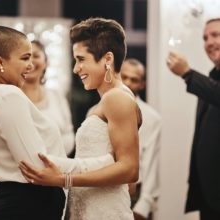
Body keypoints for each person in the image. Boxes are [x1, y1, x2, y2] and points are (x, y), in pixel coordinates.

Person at [0, 25, 119, 220]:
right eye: (25, 58)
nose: (30, 65)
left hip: (18, 204)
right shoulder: (8, 95)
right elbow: (38, 167)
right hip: (26, 208)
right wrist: (103, 163)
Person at [19, 17, 141, 220]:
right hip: (90, 208)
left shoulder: (117, 97)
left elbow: (130, 169)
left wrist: (64, 179)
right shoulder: (103, 103)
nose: (76, 69)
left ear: (107, 59)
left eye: (81, 59)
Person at [166, 18, 220, 220]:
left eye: (216, 35)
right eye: (205, 37)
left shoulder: (208, 83)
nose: (209, 42)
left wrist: (188, 74)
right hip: (209, 194)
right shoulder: (212, 77)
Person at [121, 58, 161, 220]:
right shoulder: (95, 111)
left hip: (136, 195)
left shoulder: (152, 118)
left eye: (134, 79)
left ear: (142, 84)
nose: (128, 83)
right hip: (104, 190)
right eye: (124, 77)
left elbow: (152, 162)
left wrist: (144, 205)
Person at [21, 40, 75, 156]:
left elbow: (69, 135)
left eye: (36, 56)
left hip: (58, 168)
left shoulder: (57, 96)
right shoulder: (12, 98)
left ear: (46, 62)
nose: (30, 62)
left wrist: (50, 156)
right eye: (25, 57)